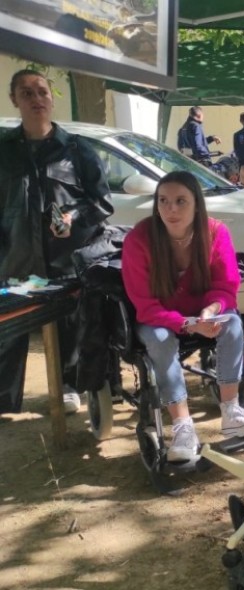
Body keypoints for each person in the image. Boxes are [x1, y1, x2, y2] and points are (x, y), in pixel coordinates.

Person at [121, 171, 244, 462]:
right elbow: (144, 304)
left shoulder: (215, 232)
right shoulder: (140, 238)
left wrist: (210, 311)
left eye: (180, 201)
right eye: (163, 201)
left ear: (197, 205)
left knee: (233, 323)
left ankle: (231, 411)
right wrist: (186, 324)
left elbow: (226, 287)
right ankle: (183, 426)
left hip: (203, 312)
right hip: (158, 317)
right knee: (160, 341)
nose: (171, 209)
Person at [0, 69, 114, 415]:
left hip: (66, 257)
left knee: (69, 325)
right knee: (9, 327)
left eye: (42, 92)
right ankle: (3, 397)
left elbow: (102, 203)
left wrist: (73, 217)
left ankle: (68, 386)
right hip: (14, 258)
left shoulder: (77, 151)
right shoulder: (3, 150)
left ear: (51, 98)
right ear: (14, 100)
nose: (36, 99)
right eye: (27, 93)